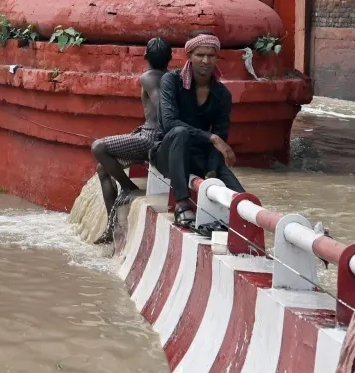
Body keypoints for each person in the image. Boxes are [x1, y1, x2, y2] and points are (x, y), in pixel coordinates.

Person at [154, 33, 245, 228]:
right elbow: (169, 122)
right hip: (168, 153)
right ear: (189, 55)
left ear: (217, 57)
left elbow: (221, 136)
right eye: (199, 55)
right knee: (180, 132)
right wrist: (210, 137)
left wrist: (211, 172)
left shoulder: (222, 94)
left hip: (199, 157)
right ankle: (181, 203)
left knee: (242, 201)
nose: (205, 61)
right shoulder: (171, 81)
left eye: (211, 56)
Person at [88, 37, 174, 240]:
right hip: (152, 134)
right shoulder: (170, 77)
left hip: (150, 137)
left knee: (98, 147)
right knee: (103, 168)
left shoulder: (149, 77)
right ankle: (111, 228)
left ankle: (128, 187)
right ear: (170, 58)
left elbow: (161, 106)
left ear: (145, 56)